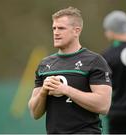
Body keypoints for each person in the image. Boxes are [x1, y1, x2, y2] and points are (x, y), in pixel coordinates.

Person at [28, 6, 112, 134]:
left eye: (61, 28)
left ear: (76, 31)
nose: (56, 32)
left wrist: (65, 90)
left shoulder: (94, 61)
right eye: (54, 28)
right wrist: (43, 92)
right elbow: (35, 113)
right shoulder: (45, 65)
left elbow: (103, 106)